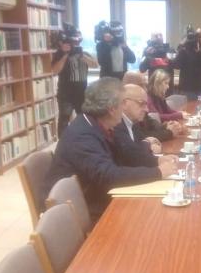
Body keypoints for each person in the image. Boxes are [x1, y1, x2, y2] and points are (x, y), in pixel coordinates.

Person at [44, 78, 178, 221]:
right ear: (112, 109)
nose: (124, 107)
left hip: (94, 196)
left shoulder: (97, 124)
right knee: (149, 217)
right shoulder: (82, 136)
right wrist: (158, 172)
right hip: (76, 212)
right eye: (122, 103)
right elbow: (109, 176)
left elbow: (126, 155)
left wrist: (156, 161)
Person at [51, 26, 98, 137]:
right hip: (65, 93)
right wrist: (65, 54)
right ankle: (62, 142)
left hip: (81, 92)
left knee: (85, 118)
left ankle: (85, 138)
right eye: (73, 42)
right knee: (64, 119)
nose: (75, 44)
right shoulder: (60, 53)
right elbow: (55, 71)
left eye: (77, 41)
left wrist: (82, 56)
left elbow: (95, 65)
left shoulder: (84, 53)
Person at [114, 83, 164, 166]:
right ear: (124, 103)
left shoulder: (134, 122)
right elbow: (131, 155)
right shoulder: (116, 124)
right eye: (141, 103)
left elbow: (139, 144)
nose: (147, 109)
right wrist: (149, 146)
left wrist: (147, 144)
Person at [174, 26, 201, 101]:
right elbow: (176, 65)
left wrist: (199, 53)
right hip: (186, 89)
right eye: (199, 36)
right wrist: (181, 46)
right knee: (186, 108)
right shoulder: (184, 51)